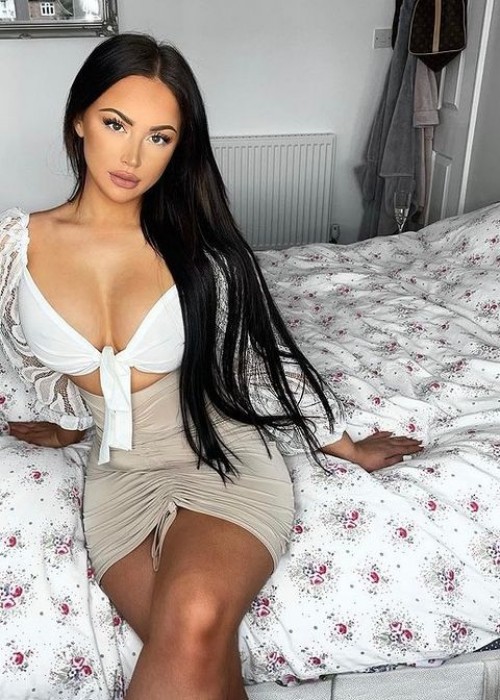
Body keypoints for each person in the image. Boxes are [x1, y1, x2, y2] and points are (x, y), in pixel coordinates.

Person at [0, 33, 422, 700]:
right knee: (198, 655)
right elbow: (30, 355)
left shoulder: (201, 252)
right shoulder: (16, 247)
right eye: (116, 124)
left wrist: (346, 446)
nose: (133, 156)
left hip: (218, 458)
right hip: (118, 481)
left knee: (194, 617)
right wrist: (69, 423)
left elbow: (260, 364)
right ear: (79, 119)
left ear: (179, 147)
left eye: (159, 137)